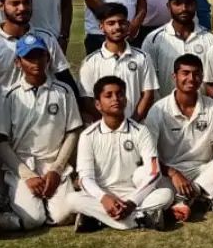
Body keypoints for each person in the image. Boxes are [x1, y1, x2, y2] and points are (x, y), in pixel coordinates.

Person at [143, 54, 213, 218]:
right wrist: (173, 173)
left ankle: (188, 198)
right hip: (170, 174)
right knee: (145, 175)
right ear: (174, 76)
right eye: (185, 73)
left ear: (202, 77)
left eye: (196, 74)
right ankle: (209, 198)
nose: (191, 78)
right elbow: (148, 154)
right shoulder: (158, 110)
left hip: (203, 171)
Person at [0, 34, 84, 231]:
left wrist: (57, 169)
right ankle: (3, 218)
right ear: (18, 62)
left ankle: (53, 204)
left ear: (48, 59)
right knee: (33, 219)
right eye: (29, 58)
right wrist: (27, 175)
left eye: (40, 56)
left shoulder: (64, 91)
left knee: (62, 216)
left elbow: (73, 131)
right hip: (23, 166)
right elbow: (0, 141)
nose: (36, 62)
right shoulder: (9, 95)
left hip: (53, 164)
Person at [71, 77, 175, 232]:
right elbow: (85, 178)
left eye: (120, 94)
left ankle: (100, 220)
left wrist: (132, 202)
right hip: (103, 196)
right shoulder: (88, 135)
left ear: (126, 100)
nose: (116, 99)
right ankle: (140, 219)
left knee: (166, 193)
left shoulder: (140, 131)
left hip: (135, 194)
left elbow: (154, 172)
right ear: (98, 104)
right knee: (71, 199)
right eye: (109, 95)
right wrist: (104, 198)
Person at [78, 3, 160, 123]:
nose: (117, 27)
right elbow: (87, 99)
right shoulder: (90, 62)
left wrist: (132, 123)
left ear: (127, 24)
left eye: (121, 22)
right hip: (104, 131)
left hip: (136, 128)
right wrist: (109, 124)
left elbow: (148, 95)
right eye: (111, 23)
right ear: (101, 27)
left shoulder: (142, 57)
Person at [141, 0, 213, 98]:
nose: (184, 8)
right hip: (164, 111)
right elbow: (148, 82)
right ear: (168, 6)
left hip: (202, 110)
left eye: (188, 3)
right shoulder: (153, 39)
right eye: (177, 3)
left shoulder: (210, 38)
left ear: (195, 5)